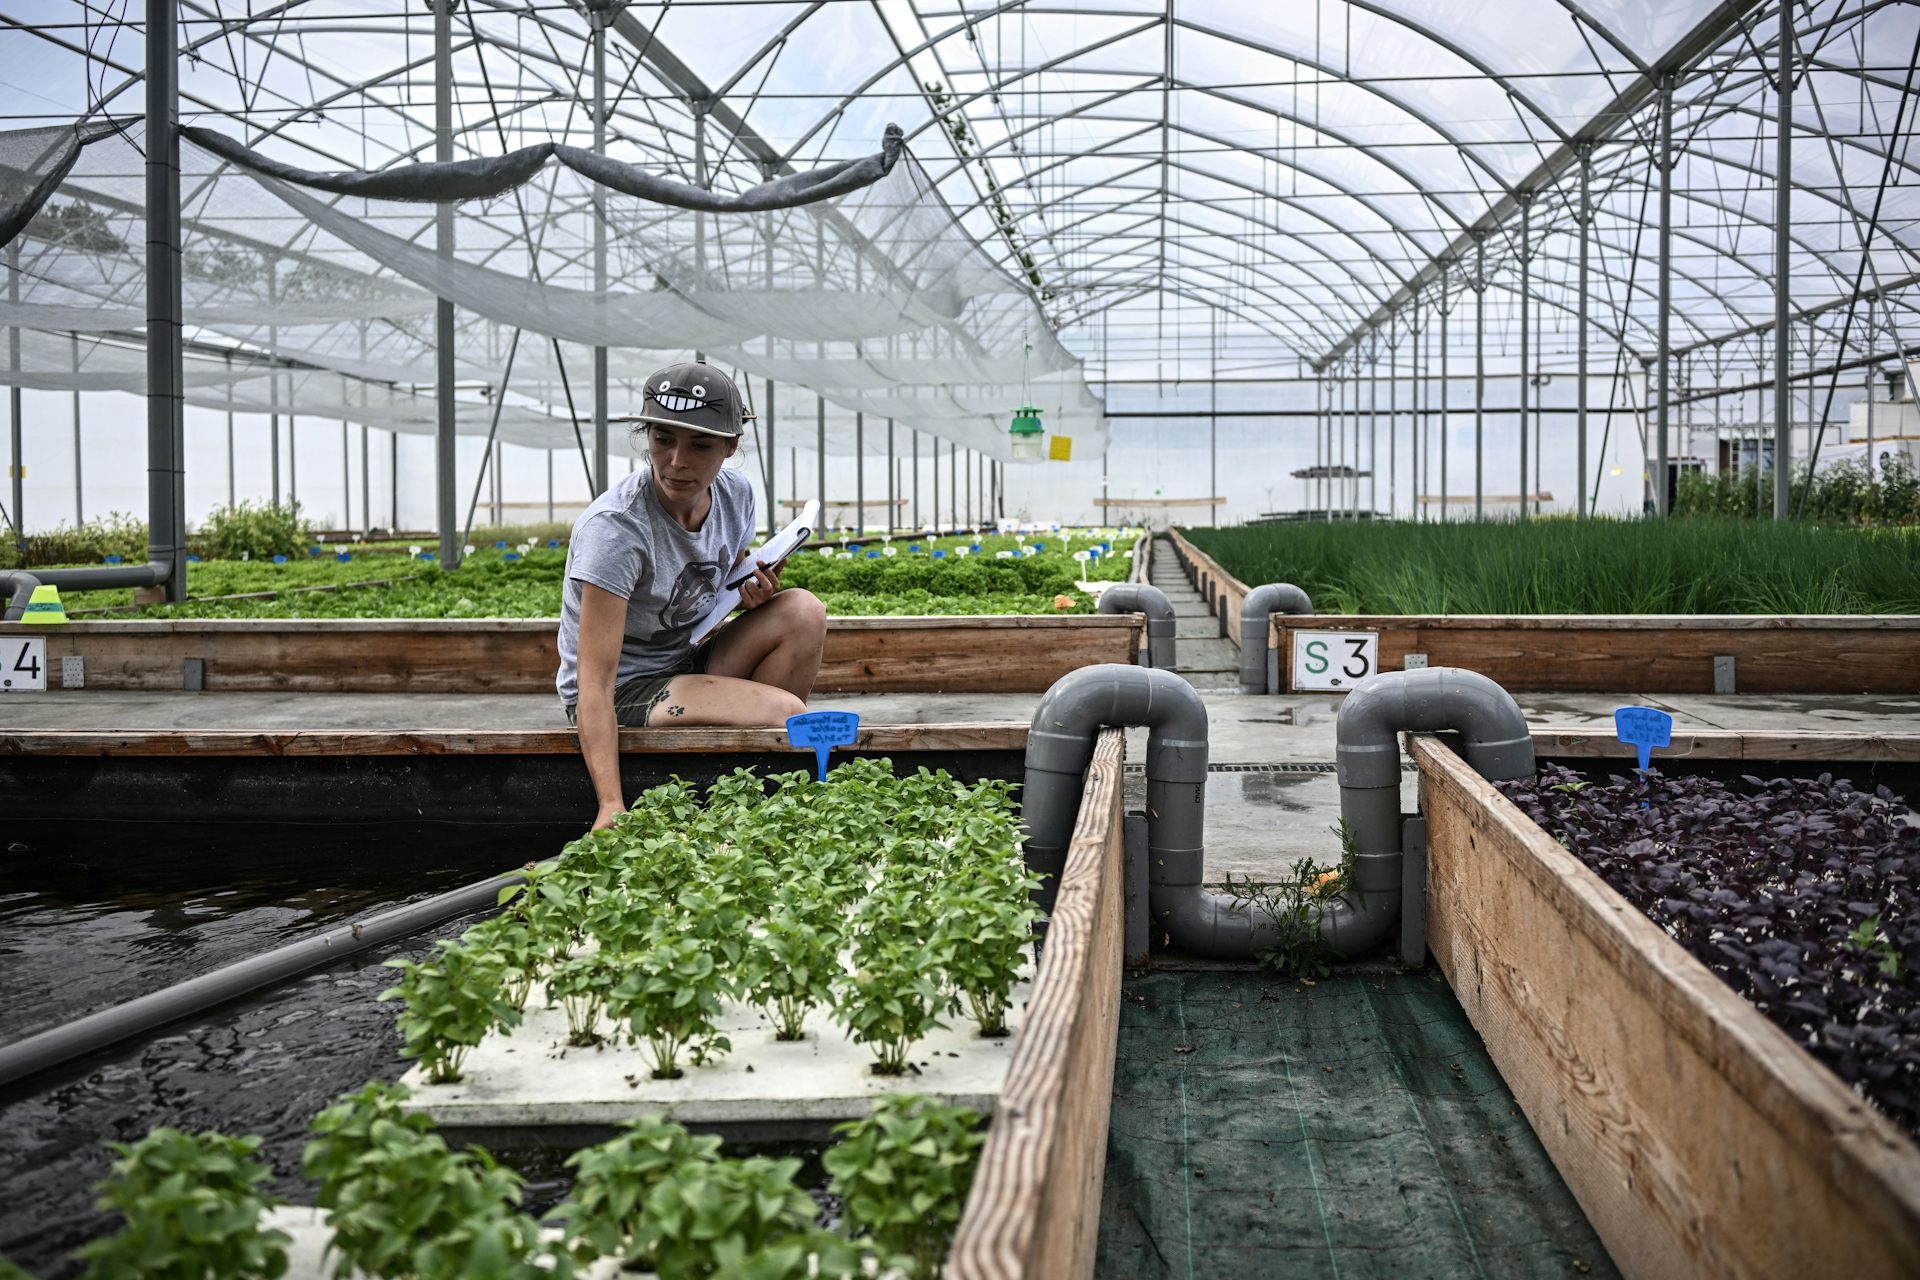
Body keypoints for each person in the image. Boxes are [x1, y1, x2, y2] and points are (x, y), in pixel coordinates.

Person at [556, 360, 826, 830]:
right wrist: (610, 804)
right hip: (624, 688)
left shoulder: (736, 494)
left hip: (684, 656)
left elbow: (711, 589)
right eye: (663, 440)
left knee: (803, 610)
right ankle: (753, 784)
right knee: (785, 712)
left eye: (700, 445)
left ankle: (753, 783)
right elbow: (593, 683)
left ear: (730, 446)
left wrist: (746, 592)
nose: (677, 461)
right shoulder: (615, 532)